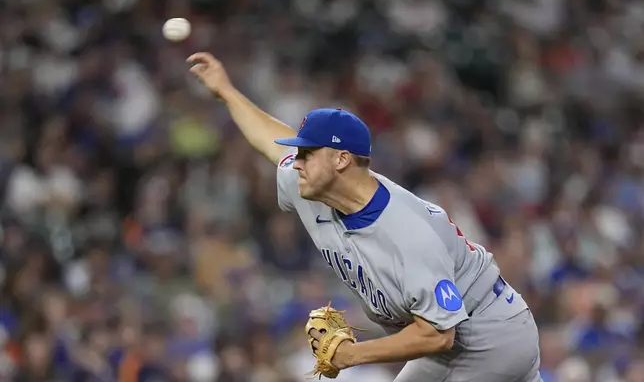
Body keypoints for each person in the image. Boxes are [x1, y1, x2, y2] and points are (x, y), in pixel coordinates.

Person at [187, 52, 543, 382]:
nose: (296, 161)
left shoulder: (406, 233)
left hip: (486, 337)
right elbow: (271, 140)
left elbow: (438, 335)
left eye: (308, 153)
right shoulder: (312, 183)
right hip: (451, 337)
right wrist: (226, 92)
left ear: (341, 160)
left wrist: (350, 355)